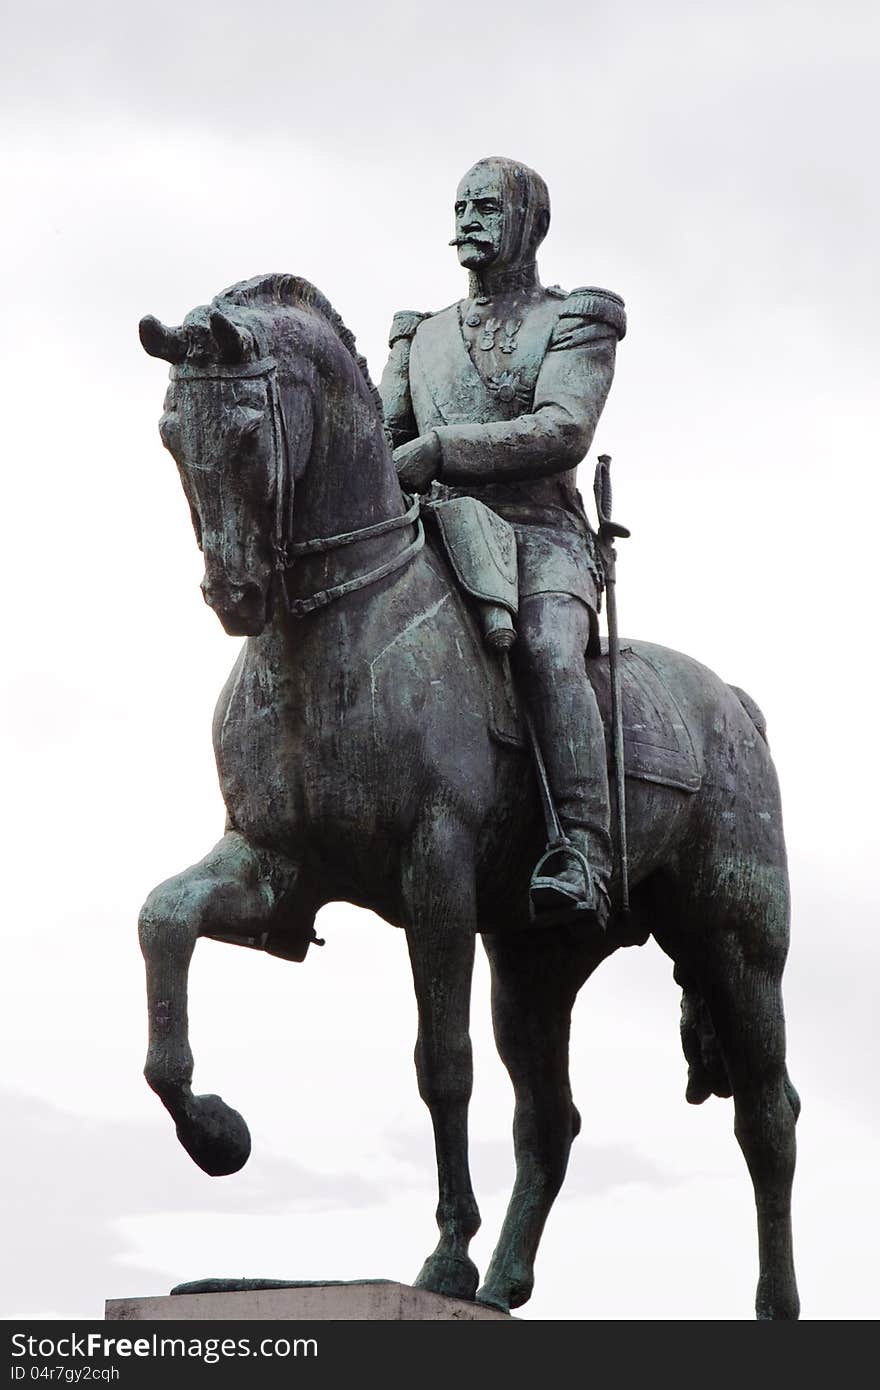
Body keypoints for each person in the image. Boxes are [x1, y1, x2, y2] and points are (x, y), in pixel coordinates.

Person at [379, 155, 626, 928]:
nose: (467, 222)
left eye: (486, 208)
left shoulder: (574, 321)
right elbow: (384, 442)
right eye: (459, 208)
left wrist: (443, 451)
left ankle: (584, 848)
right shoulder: (418, 337)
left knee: (551, 653)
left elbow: (563, 429)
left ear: (531, 224)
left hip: (540, 536)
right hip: (440, 533)